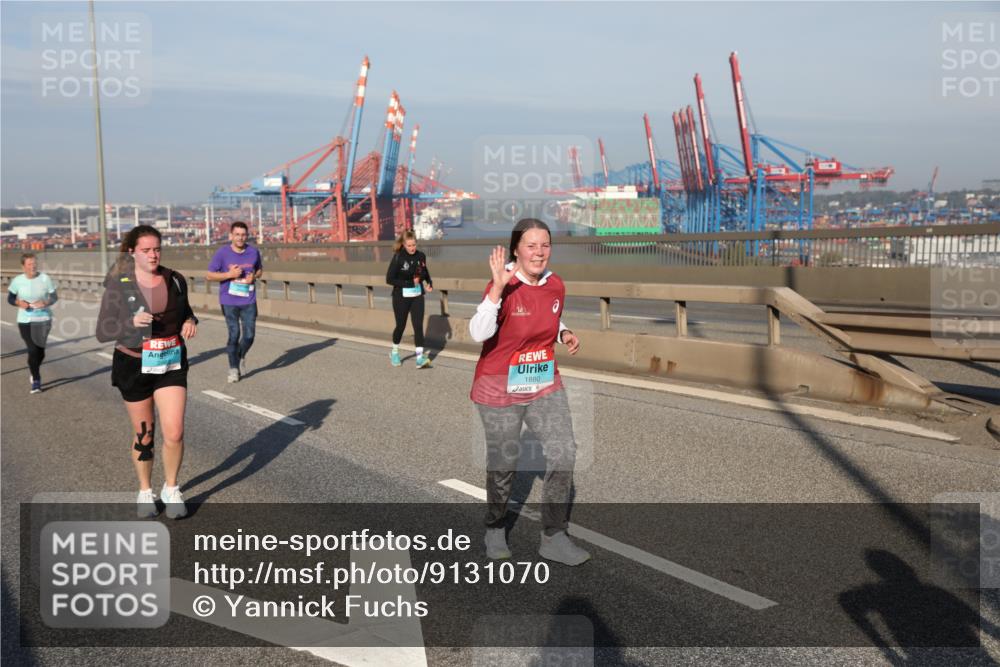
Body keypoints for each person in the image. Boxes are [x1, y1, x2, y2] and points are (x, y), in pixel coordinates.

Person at [468, 218, 588, 566]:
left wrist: (564, 333)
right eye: (531, 245)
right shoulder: (503, 285)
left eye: (545, 244)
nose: (539, 252)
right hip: (498, 386)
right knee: (505, 463)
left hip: (542, 380)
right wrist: (495, 290)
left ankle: (553, 536)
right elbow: (479, 331)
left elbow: (547, 314)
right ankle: (494, 527)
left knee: (563, 451)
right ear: (516, 250)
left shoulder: (555, 285)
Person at [97, 225, 198, 519]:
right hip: (134, 365)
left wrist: (191, 320)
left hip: (170, 362)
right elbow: (103, 331)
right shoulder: (120, 285)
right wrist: (131, 324)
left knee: (175, 430)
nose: (153, 255)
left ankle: (171, 487)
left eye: (157, 249)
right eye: (146, 250)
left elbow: (186, 310)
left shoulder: (174, 279)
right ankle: (145, 490)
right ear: (132, 252)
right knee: (145, 435)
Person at [207, 221, 263, 382]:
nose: (240, 238)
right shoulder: (222, 253)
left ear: (247, 236)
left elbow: (259, 269)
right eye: (237, 234)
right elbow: (209, 275)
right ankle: (233, 369)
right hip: (229, 300)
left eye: (243, 234)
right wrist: (229, 275)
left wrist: (255, 276)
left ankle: (239, 355)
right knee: (234, 334)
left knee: (249, 336)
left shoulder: (253, 252)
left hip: (248, 299)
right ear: (231, 235)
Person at [7, 253, 58, 393]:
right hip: (25, 320)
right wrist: (18, 302)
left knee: (40, 352)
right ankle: (36, 380)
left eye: (34, 263)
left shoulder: (45, 278)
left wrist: (45, 302)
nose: (33, 266)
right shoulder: (18, 281)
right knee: (33, 349)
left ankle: (32, 366)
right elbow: (10, 298)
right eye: (29, 264)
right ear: (23, 266)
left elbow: (54, 296)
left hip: (44, 319)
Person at [385, 230, 433, 368]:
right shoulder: (398, 257)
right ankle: (394, 352)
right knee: (401, 326)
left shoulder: (421, 256)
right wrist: (409, 283)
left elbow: (424, 272)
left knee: (418, 326)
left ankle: (419, 358)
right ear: (404, 245)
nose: (412, 248)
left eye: (414, 245)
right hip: (401, 296)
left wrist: (429, 282)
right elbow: (389, 279)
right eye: (409, 245)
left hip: (417, 295)